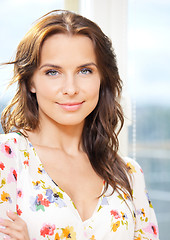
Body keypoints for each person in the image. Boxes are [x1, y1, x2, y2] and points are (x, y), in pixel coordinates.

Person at [0, 10, 159, 240]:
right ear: (30, 81)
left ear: (102, 77)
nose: (71, 88)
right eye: (53, 72)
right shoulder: (7, 158)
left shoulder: (128, 174)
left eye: (85, 70)